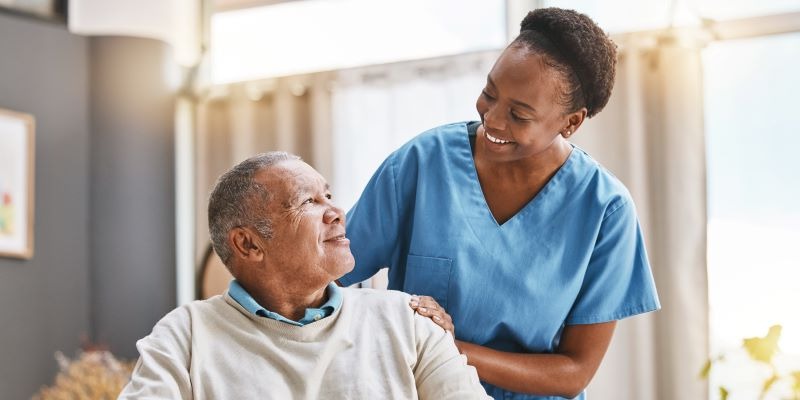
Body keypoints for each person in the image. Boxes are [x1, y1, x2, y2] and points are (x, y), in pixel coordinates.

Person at [338, 7, 660, 400]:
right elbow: (329, 274)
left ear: (571, 122)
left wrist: (446, 349)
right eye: (489, 93)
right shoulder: (422, 163)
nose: (492, 119)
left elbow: (574, 371)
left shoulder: (605, 211)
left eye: (519, 115)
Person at [118, 152, 490, 399]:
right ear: (248, 245)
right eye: (308, 202)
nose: (337, 212)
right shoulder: (185, 335)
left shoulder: (408, 321)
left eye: (327, 195)